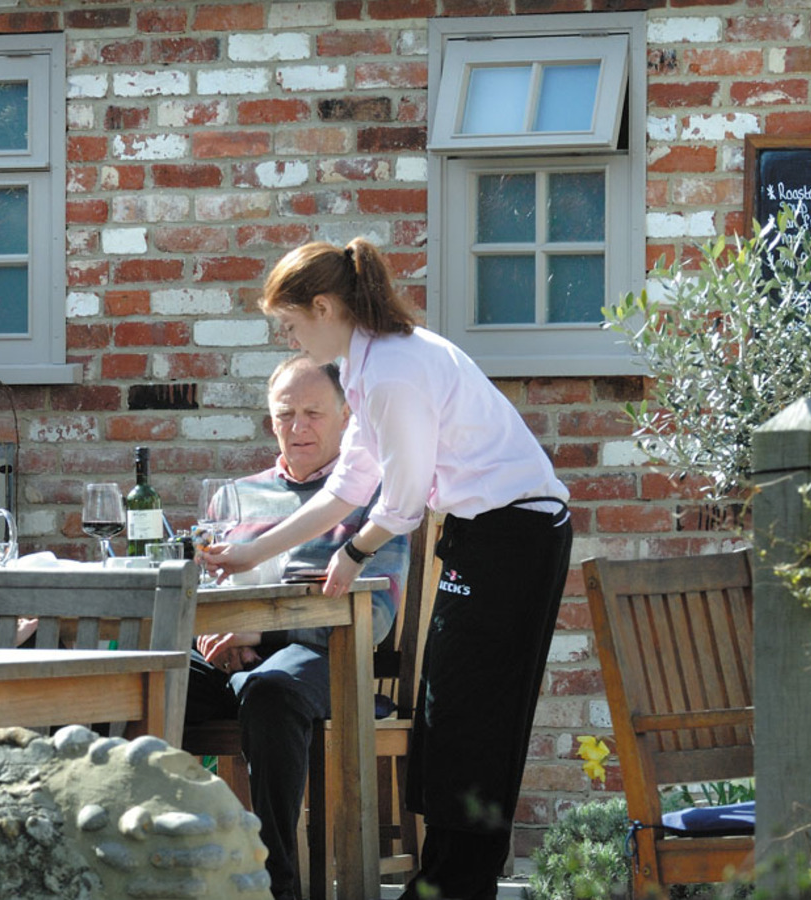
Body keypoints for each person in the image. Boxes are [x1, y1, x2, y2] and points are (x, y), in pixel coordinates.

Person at [203, 239, 573, 900]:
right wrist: (251, 553)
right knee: (447, 714)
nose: (284, 334)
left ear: (324, 306)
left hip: (515, 535)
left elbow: (399, 502)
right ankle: (447, 881)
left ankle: (456, 884)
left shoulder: (397, 368)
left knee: (473, 715)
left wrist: (350, 555)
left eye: (287, 322)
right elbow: (348, 486)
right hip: (482, 532)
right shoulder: (370, 366)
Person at [185, 353, 410, 900]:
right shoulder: (235, 495)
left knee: (271, 689)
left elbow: (374, 617)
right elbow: (209, 589)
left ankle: (274, 885)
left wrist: (260, 634)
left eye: (313, 412)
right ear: (270, 420)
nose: (298, 427)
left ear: (346, 417)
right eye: (286, 414)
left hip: (327, 663)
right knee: (147, 677)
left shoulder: (374, 499)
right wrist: (212, 635)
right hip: (229, 660)